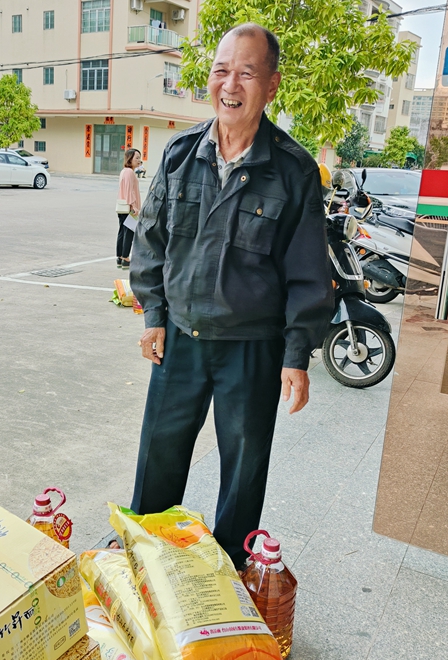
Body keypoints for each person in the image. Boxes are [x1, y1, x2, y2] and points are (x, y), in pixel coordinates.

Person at [129, 23, 335, 570]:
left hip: (252, 346)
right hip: (179, 337)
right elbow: (150, 240)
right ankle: (146, 559)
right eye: (222, 70)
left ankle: (228, 576)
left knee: (244, 466)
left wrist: (296, 356)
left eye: (246, 71)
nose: (230, 83)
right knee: (159, 454)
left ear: (271, 85)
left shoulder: (292, 170)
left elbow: (309, 271)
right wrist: (153, 314)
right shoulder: (179, 155)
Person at [116, 149, 142, 270]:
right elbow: (129, 191)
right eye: (136, 158)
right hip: (129, 207)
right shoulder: (129, 172)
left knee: (122, 231)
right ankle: (125, 257)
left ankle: (120, 257)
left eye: (139, 158)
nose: (139, 160)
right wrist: (134, 206)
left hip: (123, 206)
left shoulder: (124, 171)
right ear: (129, 158)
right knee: (129, 232)